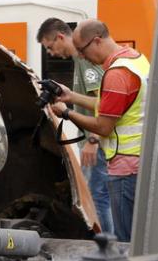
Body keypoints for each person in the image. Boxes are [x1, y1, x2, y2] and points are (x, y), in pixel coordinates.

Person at [51, 19, 149, 242]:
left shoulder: (117, 74)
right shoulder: (136, 60)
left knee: (127, 242)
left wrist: (67, 113)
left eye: (83, 51)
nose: (82, 57)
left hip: (126, 169)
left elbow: (104, 126)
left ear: (96, 41)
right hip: (142, 162)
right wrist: (72, 96)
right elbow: (115, 106)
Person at [37, 18, 113, 234]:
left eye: (50, 47)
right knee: (98, 196)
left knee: (98, 197)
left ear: (61, 36)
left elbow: (104, 100)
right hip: (93, 136)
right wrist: (67, 99)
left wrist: (93, 139)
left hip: (95, 140)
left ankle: (108, 248)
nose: (50, 54)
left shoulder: (85, 59)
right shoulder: (80, 60)